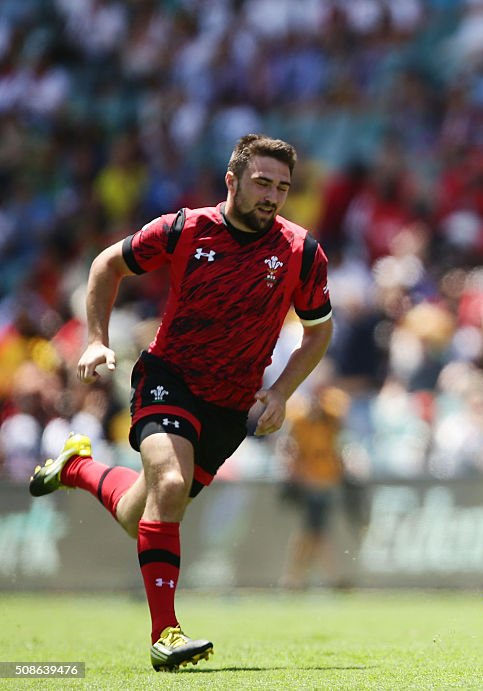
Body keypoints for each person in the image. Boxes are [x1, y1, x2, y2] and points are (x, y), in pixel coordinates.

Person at [29, 134, 333, 670]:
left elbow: (318, 331)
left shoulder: (301, 251)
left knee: (137, 512)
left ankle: (76, 468)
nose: (272, 196)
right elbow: (105, 266)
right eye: (262, 182)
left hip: (231, 405)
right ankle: (165, 634)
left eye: (282, 187)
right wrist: (96, 339)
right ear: (232, 182)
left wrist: (281, 393)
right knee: (169, 486)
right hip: (168, 378)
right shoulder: (185, 228)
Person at [278, 381, 347, 590]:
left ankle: (294, 578)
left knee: (311, 532)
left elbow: (337, 445)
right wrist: (297, 473)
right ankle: (327, 576)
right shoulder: (300, 421)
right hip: (309, 484)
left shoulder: (330, 420)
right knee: (315, 531)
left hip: (324, 483)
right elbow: (288, 449)